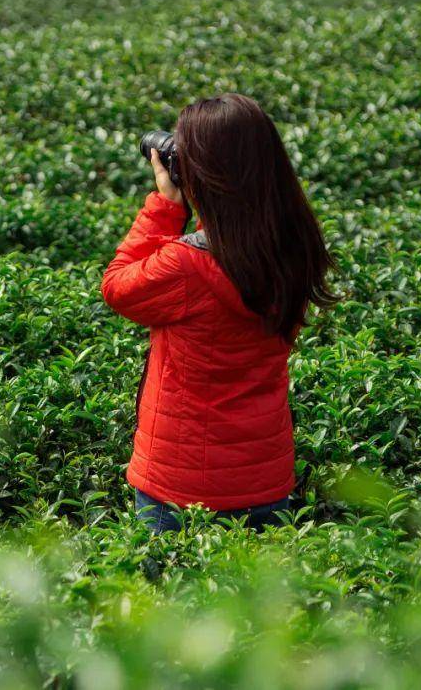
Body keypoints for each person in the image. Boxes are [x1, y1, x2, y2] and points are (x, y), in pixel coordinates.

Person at [101, 93, 336, 533]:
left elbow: (117, 287)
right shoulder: (293, 246)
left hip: (179, 487)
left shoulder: (186, 265)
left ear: (203, 176)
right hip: (267, 481)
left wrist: (166, 204)